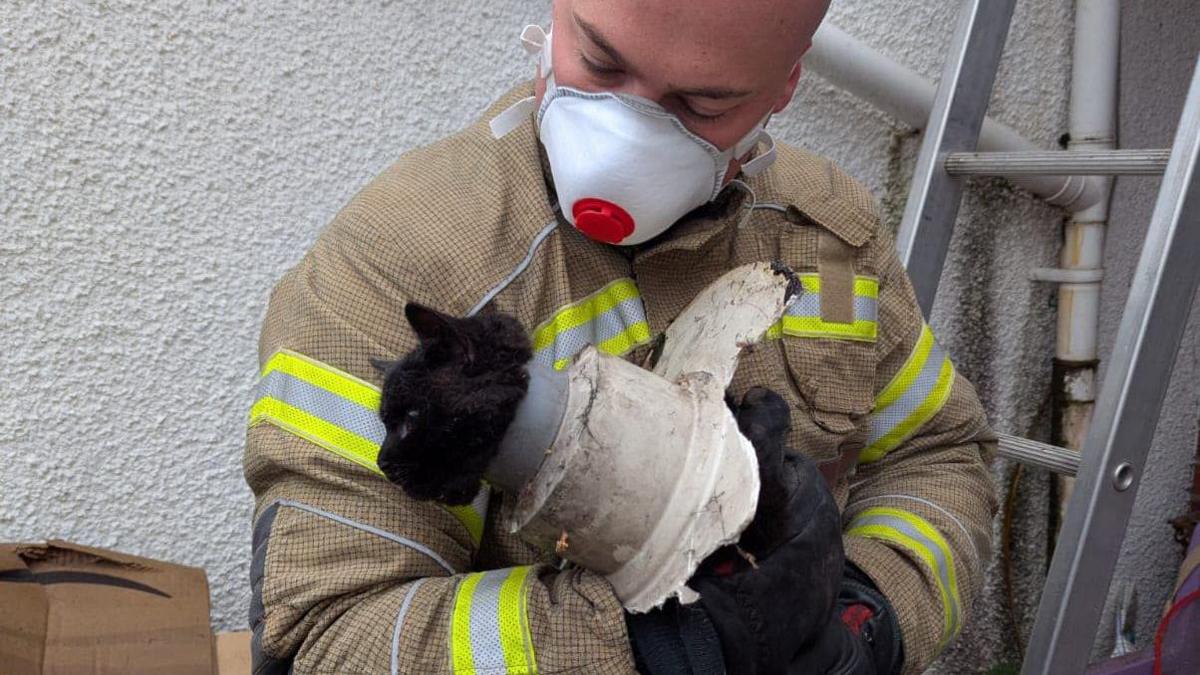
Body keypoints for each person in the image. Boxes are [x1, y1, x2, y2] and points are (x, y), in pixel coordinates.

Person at [243, 0, 998, 673]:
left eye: (703, 103)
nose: (626, 135)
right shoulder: (401, 269)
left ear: (785, 88)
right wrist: (645, 648)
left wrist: (869, 618)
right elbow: (323, 638)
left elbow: (937, 455)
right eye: (599, 61)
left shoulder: (827, 237)